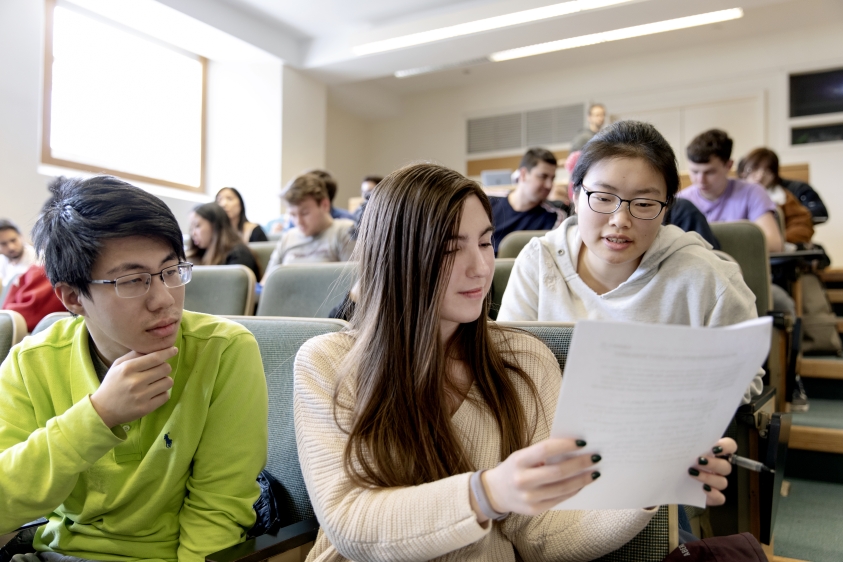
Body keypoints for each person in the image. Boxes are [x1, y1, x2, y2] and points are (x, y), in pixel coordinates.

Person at [293, 162, 736, 562]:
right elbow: (351, 523)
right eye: (451, 249)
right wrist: (488, 493)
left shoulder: (523, 360)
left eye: (486, 243)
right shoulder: (328, 363)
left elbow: (544, 533)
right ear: (399, 258)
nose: (480, 267)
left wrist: (650, 481)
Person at [0, 176, 267, 561]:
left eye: (171, 271)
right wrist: (99, 416)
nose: (164, 300)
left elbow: (218, 510)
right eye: (133, 280)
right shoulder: (31, 363)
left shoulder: (224, 350)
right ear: (73, 297)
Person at [498, 121, 762, 404]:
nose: (620, 221)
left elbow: (744, 378)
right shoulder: (538, 263)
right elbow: (506, 369)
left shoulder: (707, 277)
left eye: (644, 204)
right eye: (602, 197)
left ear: (666, 209)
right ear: (575, 196)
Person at [676, 129, 783, 253]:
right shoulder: (680, 201)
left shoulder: (752, 193)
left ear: (729, 165)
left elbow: (774, 244)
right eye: (694, 171)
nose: (700, 180)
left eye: (710, 172)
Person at [263, 174, 355, 276]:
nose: (298, 222)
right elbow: (267, 282)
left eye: (304, 213)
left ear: (325, 205)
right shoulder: (288, 237)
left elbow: (354, 282)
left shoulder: (344, 231)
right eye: (292, 215)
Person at [489, 148, 567, 254]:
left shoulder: (554, 217)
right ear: (523, 174)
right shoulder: (488, 203)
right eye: (543, 177)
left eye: (552, 178)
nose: (549, 185)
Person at [739, 148, 814, 245]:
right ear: (743, 171)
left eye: (767, 171)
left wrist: (778, 241)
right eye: (755, 168)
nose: (760, 175)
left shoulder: (783, 197)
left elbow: (802, 226)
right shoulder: (730, 196)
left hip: (774, 253)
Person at [187, 202, 261, 279]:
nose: (193, 233)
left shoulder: (239, 254)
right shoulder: (200, 252)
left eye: (197, 226)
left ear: (215, 225)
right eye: (191, 228)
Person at [0, 219, 37, 287]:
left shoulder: (38, 258)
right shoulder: (2, 261)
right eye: (3, 244)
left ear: (21, 237)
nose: (11, 247)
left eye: (13, 240)